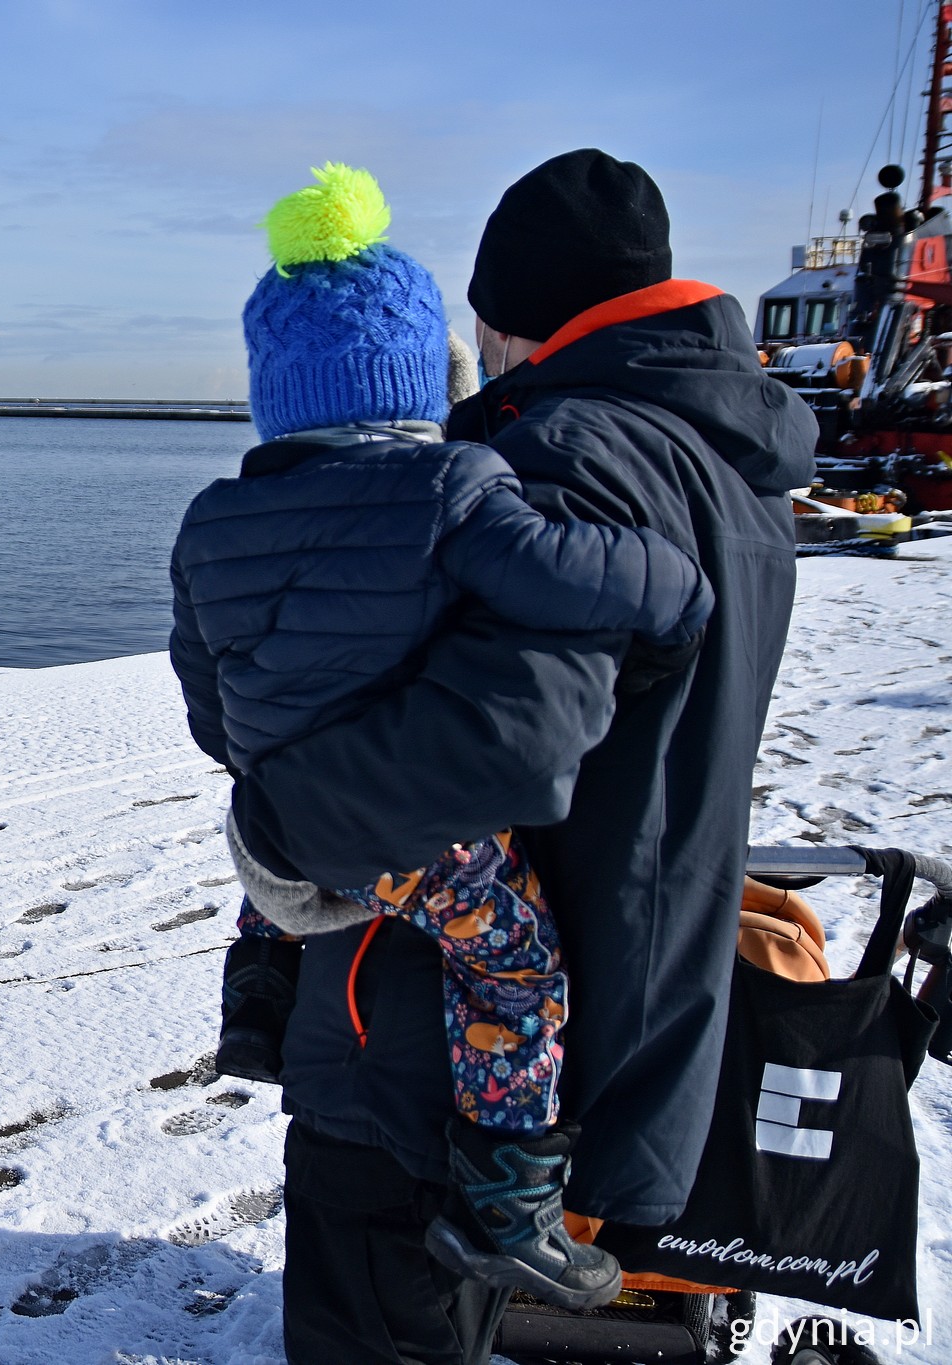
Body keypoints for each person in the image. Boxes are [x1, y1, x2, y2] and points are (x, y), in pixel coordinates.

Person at [225, 149, 817, 1365]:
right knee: (448, 1314)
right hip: (605, 995)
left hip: (420, 1043)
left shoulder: (565, 455)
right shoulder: (726, 459)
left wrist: (279, 826)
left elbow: (510, 731)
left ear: (510, 320)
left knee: (374, 1328)